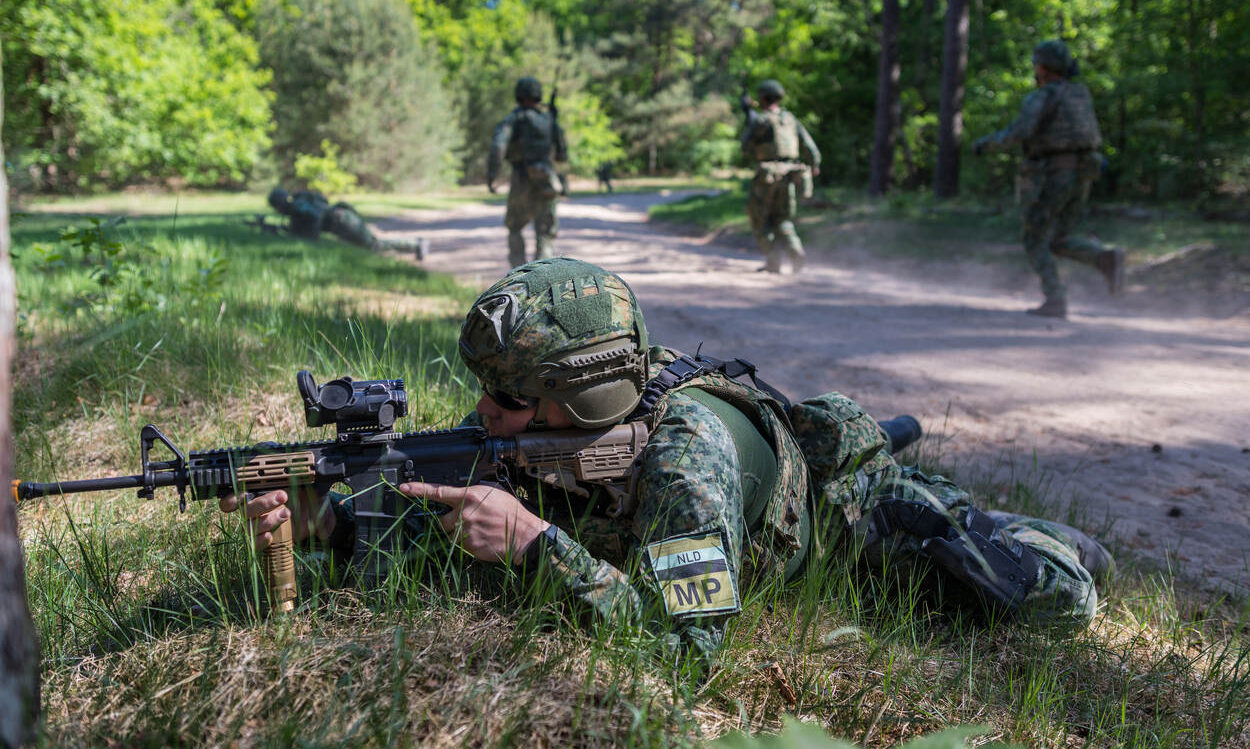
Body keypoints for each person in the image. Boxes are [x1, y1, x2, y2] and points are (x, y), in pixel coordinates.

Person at [223, 258, 1111, 669]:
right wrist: (324, 522)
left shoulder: (688, 453)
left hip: (847, 520)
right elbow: (429, 529)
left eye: (510, 397)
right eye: (486, 391)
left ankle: (1049, 537)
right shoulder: (521, 425)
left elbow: (688, 645)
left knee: (1024, 591)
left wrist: (539, 545)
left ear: (588, 393)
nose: (484, 414)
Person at [972, 40, 1125, 319]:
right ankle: (1103, 258)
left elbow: (1020, 132)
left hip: (1055, 175)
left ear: (1041, 67)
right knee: (1058, 238)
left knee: (1034, 239)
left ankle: (1055, 299)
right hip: (1084, 173)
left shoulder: (1042, 97)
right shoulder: (1080, 94)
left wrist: (985, 144)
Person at [740, 80, 821, 274]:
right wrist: (814, 165)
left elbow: (745, 148)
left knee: (759, 219)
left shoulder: (761, 120)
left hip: (766, 177)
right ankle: (796, 253)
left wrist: (749, 120)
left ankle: (773, 260)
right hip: (790, 174)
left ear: (763, 98)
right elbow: (810, 147)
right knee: (783, 219)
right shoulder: (791, 119)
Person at [488, 77, 569, 269]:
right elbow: (562, 156)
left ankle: (518, 275)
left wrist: (493, 174)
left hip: (521, 179)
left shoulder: (513, 120)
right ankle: (543, 275)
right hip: (547, 181)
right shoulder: (549, 120)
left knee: (515, 228)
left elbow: (498, 147)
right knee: (545, 233)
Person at [266, 187, 428, 260]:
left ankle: (416, 245)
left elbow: (316, 218)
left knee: (373, 244)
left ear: (278, 204)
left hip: (342, 221)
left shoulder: (298, 206)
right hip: (341, 220)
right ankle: (414, 246)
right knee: (371, 245)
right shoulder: (298, 205)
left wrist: (311, 237)